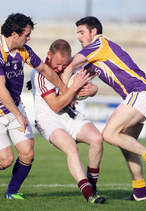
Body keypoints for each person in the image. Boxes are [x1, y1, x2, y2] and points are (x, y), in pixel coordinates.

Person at [61, 16, 146, 201]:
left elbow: (69, 64)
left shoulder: (98, 45)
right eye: (77, 33)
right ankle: (140, 193)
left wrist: (63, 95)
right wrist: (86, 90)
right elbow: (83, 77)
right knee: (126, 143)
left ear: (93, 31)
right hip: (144, 94)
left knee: (109, 134)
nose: (79, 37)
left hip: (140, 92)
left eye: (81, 32)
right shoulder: (96, 55)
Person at [0, 13, 69, 200]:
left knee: (27, 154)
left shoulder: (24, 50)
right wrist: (19, 115)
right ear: (14, 34)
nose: (29, 38)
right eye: (27, 34)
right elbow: (0, 89)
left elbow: (44, 69)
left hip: (14, 107)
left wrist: (64, 88)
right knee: (5, 160)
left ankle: (12, 192)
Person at [29, 39, 106, 204]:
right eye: (57, 64)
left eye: (64, 65)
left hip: (69, 115)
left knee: (97, 139)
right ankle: (88, 194)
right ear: (49, 55)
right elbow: (55, 105)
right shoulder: (39, 74)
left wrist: (93, 90)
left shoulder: (70, 67)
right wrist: (73, 88)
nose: (60, 68)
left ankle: (92, 185)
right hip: (48, 119)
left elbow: (85, 85)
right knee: (71, 147)